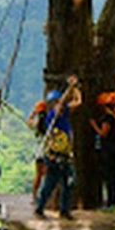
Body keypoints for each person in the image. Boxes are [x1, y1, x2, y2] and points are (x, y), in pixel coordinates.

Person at [35, 74, 82, 219]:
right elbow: (63, 102)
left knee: (69, 183)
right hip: (55, 156)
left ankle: (64, 210)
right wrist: (71, 87)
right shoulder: (52, 117)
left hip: (65, 156)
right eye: (55, 102)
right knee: (50, 184)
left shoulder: (64, 114)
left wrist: (75, 88)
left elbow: (78, 102)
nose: (59, 104)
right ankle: (41, 207)